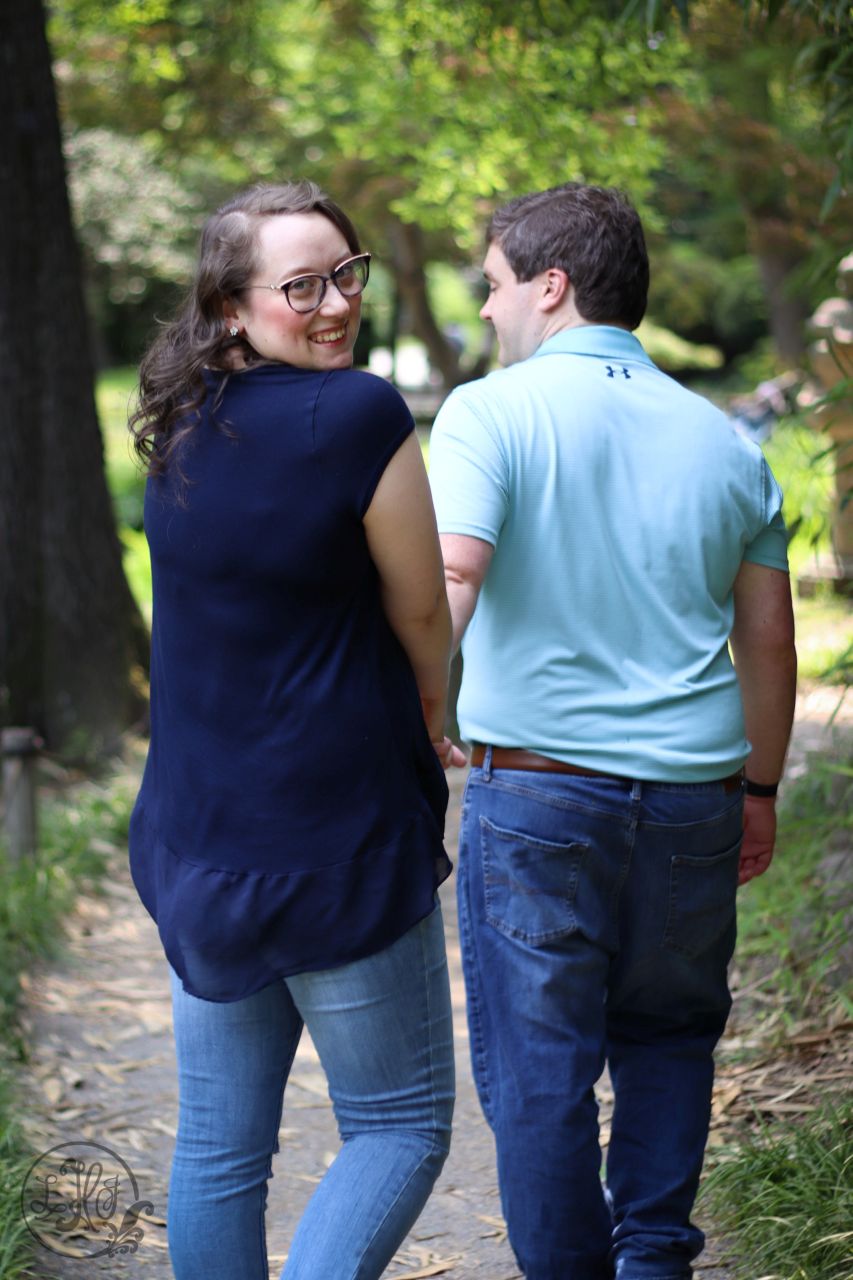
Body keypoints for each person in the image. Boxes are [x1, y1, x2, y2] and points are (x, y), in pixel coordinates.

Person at [428, 182, 797, 1280]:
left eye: (493, 285)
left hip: (538, 797)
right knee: (671, 1038)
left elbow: (453, 572)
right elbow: (767, 641)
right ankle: (651, 1261)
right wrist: (760, 789)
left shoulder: (488, 412)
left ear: (551, 284)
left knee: (541, 1073)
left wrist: (411, 710)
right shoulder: (726, 442)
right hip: (693, 800)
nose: (488, 311)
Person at [128, 180, 465, 1280]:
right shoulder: (357, 411)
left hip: (199, 845)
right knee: (399, 1124)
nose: (335, 303)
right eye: (301, 285)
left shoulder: (177, 423)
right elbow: (421, 607)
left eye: (345, 273)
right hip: (336, 842)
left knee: (221, 1145)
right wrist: (437, 702)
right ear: (231, 305)